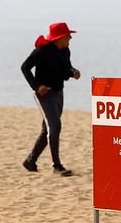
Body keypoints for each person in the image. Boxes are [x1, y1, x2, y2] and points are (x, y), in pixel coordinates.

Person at [20, 22, 81, 176]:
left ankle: (30, 161)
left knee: (48, 129)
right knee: (55, 126)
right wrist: (36, 86)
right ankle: (57, 166)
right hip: (44, 95)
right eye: (68, 35)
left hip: (59, 92)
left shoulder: (65, 50)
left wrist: (73, 72)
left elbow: (65, 68)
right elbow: (25, 67)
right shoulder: (41, 51)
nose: (70, 38)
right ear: (59, 38)